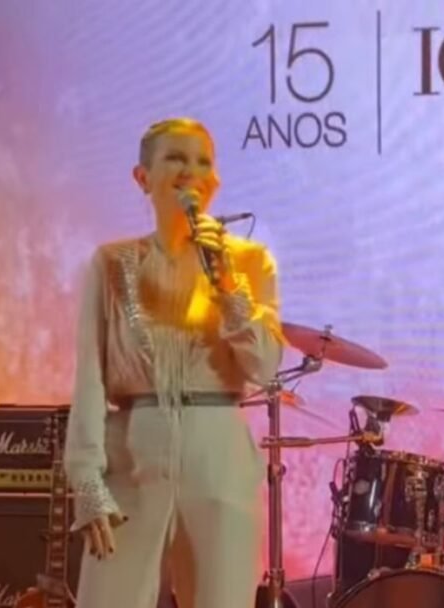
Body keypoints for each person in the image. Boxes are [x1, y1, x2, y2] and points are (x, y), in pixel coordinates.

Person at [64, 117, 284, 608]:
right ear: (142, 177)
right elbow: (90, 378)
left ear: (216, 178)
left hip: (218, 450)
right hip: (132, 449)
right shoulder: (112, 262)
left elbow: (264, 367)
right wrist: (86, 479)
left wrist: (227, 286)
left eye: (203, 161)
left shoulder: (250, 261)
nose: (192, 172)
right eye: (176, 158)